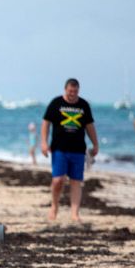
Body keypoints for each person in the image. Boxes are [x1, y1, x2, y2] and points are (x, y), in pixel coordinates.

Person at [41, 78, 99, 222]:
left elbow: (90, 126)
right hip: (59, 149)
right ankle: (54, 206)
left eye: (75, 91)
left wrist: (95, 144)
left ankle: (74, 213)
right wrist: (44, 143)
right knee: (58, 180)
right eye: (70, 91)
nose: (72, 94)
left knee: (76, 181)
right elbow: (46, 123)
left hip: (78, 150)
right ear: (65, 90)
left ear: (78, 91)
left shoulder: (83, 105)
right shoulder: (56, 103)